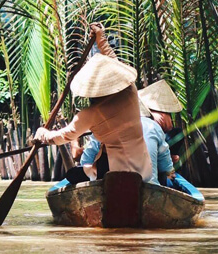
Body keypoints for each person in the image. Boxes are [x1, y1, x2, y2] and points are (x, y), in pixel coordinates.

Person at [33, 23, 152, 184]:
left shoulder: (91, 114)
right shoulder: (130, 90)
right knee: (81, 172)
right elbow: (113, 60)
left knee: (73, 176)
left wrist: (43, 134)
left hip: (114, 174)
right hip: (143, 170)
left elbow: (64, 136)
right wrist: (100, 38)